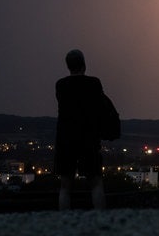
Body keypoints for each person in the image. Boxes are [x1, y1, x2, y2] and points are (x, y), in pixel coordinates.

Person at [54, 49, 106, 210]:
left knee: (65, 187)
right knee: (96, 183)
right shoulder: (94, 83)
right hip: (89, 139)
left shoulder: (60, 85)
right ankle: (102, 224)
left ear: (68, 66)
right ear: (84, 64)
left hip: (66, 140)